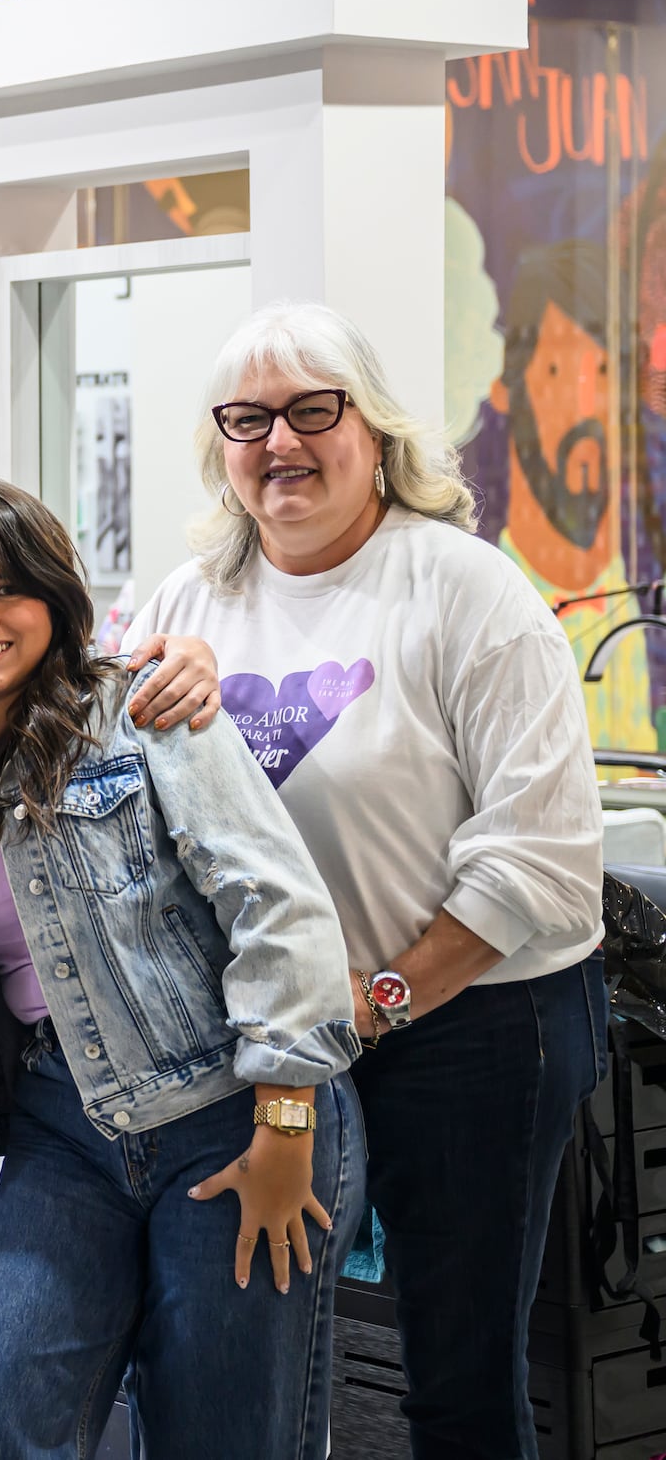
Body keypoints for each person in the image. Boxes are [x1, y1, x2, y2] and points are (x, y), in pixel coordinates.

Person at [127, 302, 606, 1456]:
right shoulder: (190, 603)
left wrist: (382, 994)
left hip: (477, 1025)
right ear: (219, 446)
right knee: (273, 1347)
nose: (279, 443)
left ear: (374, 432)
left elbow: (537, 858)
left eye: (310, 411)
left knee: (456, 1368)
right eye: (248, 420)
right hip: (284, 1034)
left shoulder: (465, 591)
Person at [0, 478, 361, 1460]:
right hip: (66, 1127)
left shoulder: (139, 707)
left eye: (9, 586)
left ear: (56, 599)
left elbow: (278, 903)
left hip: (239, 1109)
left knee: (221, 1441)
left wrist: (284, 1125)